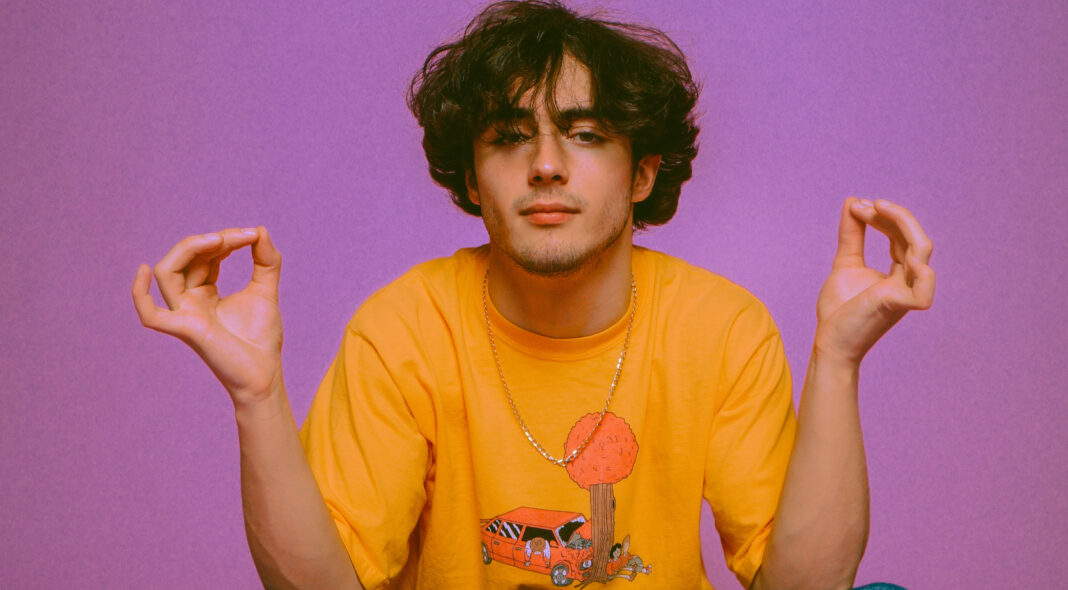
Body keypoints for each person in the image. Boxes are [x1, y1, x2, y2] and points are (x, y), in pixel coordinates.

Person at [131, 1, 935, 588]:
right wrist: (257, 395)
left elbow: (805, 587)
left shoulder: (719, 327)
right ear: (472, 178)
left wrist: (838, 358)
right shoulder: (404, 327)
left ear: (642, 173)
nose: (546, 165)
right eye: (511, 137)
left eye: (585, 135)